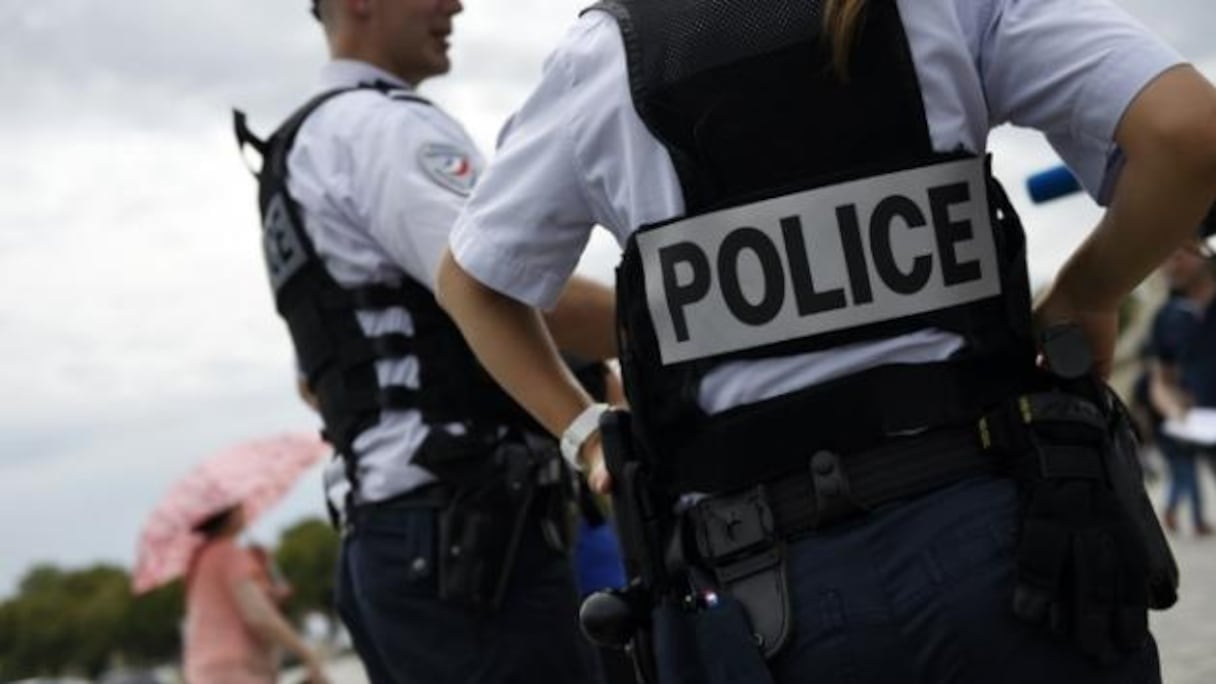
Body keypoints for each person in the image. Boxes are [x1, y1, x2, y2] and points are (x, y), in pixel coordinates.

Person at [436, 0, 1216, 681]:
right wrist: (1088, 293)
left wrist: (585, 438)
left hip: (762, 600)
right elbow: (1188, 131)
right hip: (1016, 551)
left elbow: (471, 283)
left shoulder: (600, 58)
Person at [232, 1, 615, 682]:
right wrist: (683, 312)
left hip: (385, 541)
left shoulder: (294, 152)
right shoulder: (380, 128)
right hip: (471, 539)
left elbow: (315, 380)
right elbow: (502, 281)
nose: (455, 4)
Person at [183, 506, 329, 684]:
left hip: (205, 670)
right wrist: (306, 653)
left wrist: (266, 596)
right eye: (238, 506)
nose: (243, 509)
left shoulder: (201, 560)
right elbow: (259, 616)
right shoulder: (229, 554)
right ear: (230, 514)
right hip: (235, 667)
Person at [1147, 213, 1216, 536]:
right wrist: (1174, 409)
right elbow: (1161, 381)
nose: (1170, 264)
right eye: (1162, 258)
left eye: (1177, 253)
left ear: (1201, 248)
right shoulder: (1166, 319)